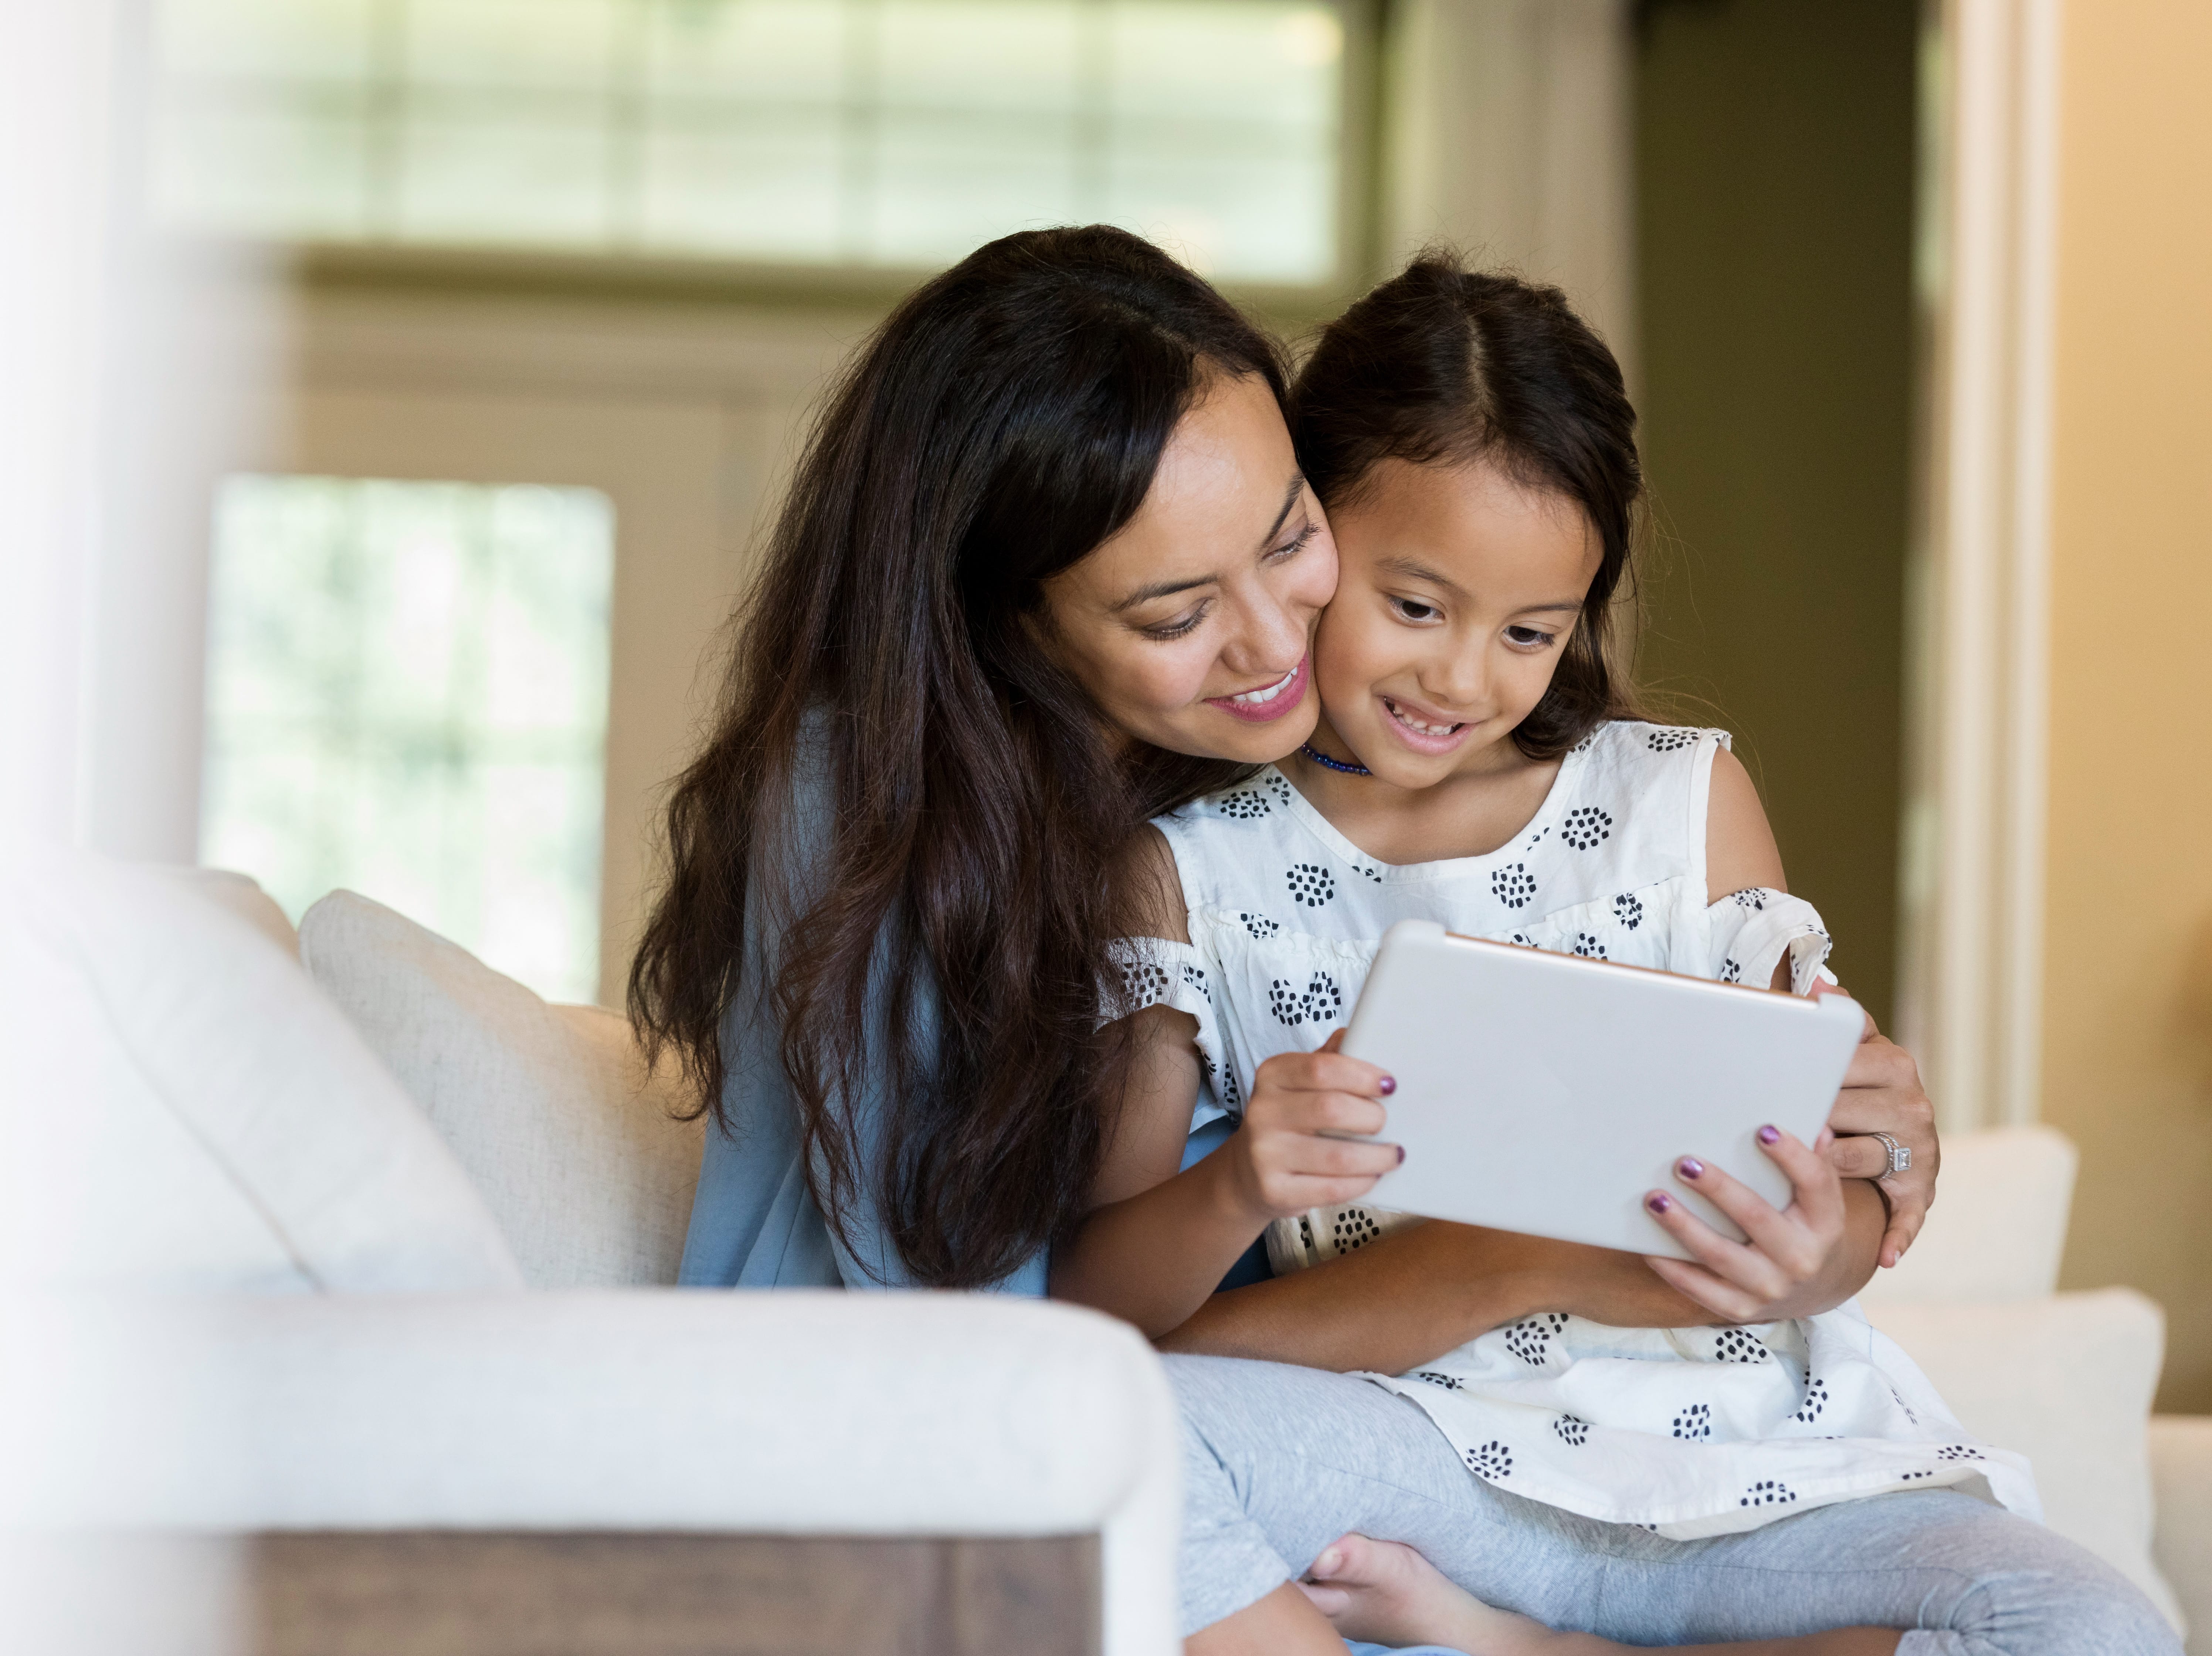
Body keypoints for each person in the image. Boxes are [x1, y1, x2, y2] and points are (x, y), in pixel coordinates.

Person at [634, 227, 1956, 1649]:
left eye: (1286, 541)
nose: (1273, 646)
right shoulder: (922, 811)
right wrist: (1512, 1263)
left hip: (1339, 1442)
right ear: (1009, 621)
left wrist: (1865, 1139)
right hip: (982, 1447)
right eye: (1177, 609)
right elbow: (1034, 1360)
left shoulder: (1305, 772)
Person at [1051, 256, 2174, 1656]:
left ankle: (1537, 1652)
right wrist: (1239, 1183)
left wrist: (1830, 1226)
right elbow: (1102, 1323)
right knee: (1102, 1444)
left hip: (1767, 1482)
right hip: (1429, 1462)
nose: (1465, 679)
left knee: (2089, 1626)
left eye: (1531, 631)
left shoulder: (1674, 802)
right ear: (1311, 541)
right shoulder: (1185, 870)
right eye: (1416, 606)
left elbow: (1841, 1233)